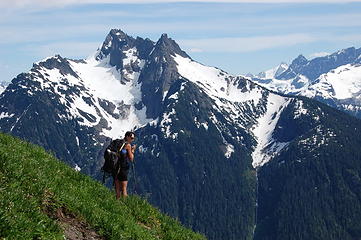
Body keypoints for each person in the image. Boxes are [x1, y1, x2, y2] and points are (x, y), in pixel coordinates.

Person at [114, 131, 136, 199]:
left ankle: (117, 202)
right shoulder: (128, 145)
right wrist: (132, 150)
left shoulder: (118, 143)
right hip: (123, 168)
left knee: (117, 188)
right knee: (124, 188)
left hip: (115, 166)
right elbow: (131, 158)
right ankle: (125, 204)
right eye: (131, 138)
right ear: (127, 136)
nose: (132, 140)